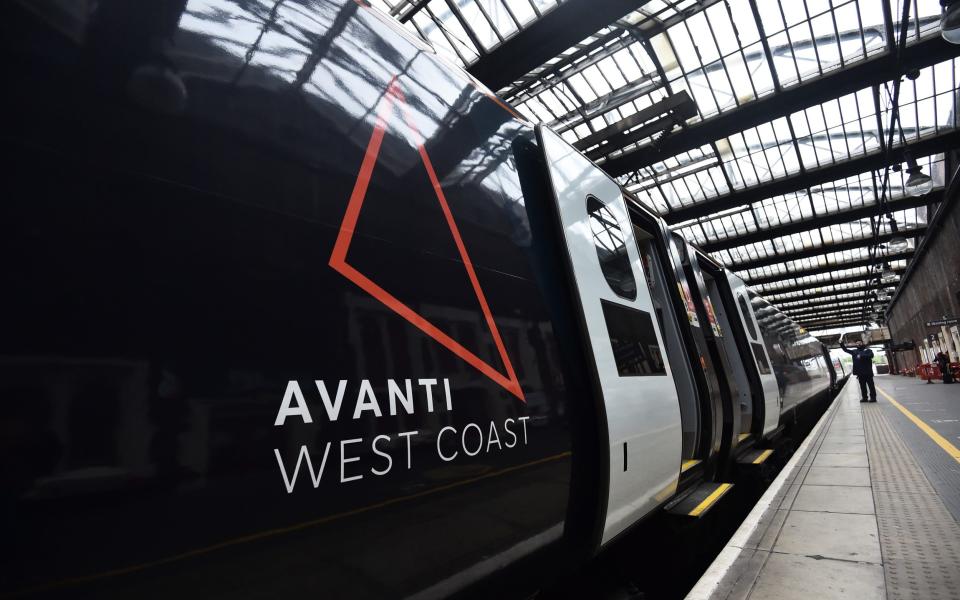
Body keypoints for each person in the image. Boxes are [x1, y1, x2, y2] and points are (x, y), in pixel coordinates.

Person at [841, 338, 876, 402]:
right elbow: (845, 350)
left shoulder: (868, 350)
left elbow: (871, 355)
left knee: (871, 386)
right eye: (857, 343)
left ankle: (873, 398)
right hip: (860, 373)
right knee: (862, 387)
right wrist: (841, 343)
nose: (858, 344)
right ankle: (864, 398)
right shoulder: (854, 351)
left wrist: (861, 356)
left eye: (860, 342)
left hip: (868, 372)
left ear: (862, 343)